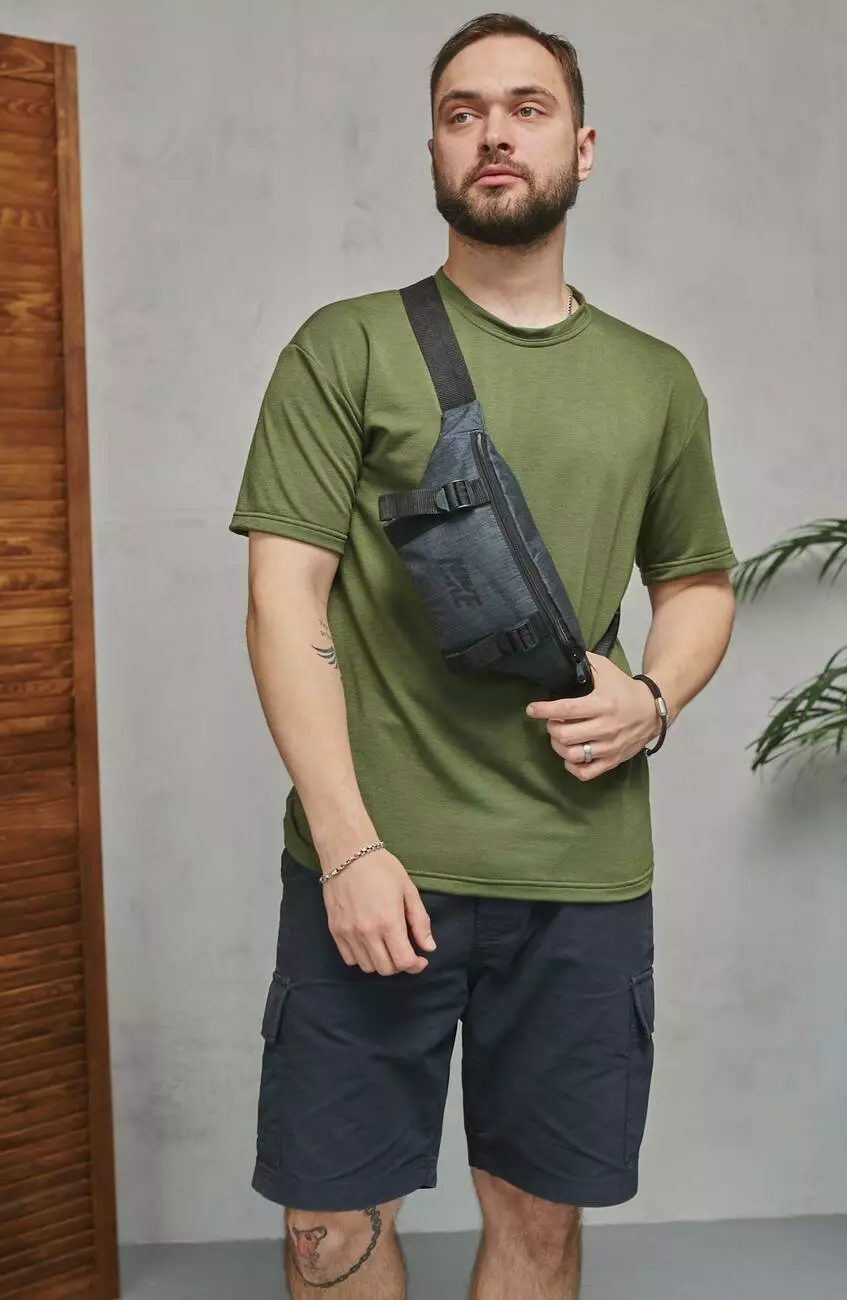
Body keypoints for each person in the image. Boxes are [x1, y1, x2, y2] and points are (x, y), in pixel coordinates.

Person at [229, 12, 737, 1299]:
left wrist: (654, 697)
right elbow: (282, 603)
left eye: (524, 107)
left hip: (578, 873)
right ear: (434, 151)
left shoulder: (654, 380)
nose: (493, 133)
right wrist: (347, 845)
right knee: (332, 1224)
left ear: (581, 145)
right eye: (462, 114)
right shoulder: (344, 346)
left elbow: (695, 579)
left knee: (538, 1228)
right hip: (374, 867)